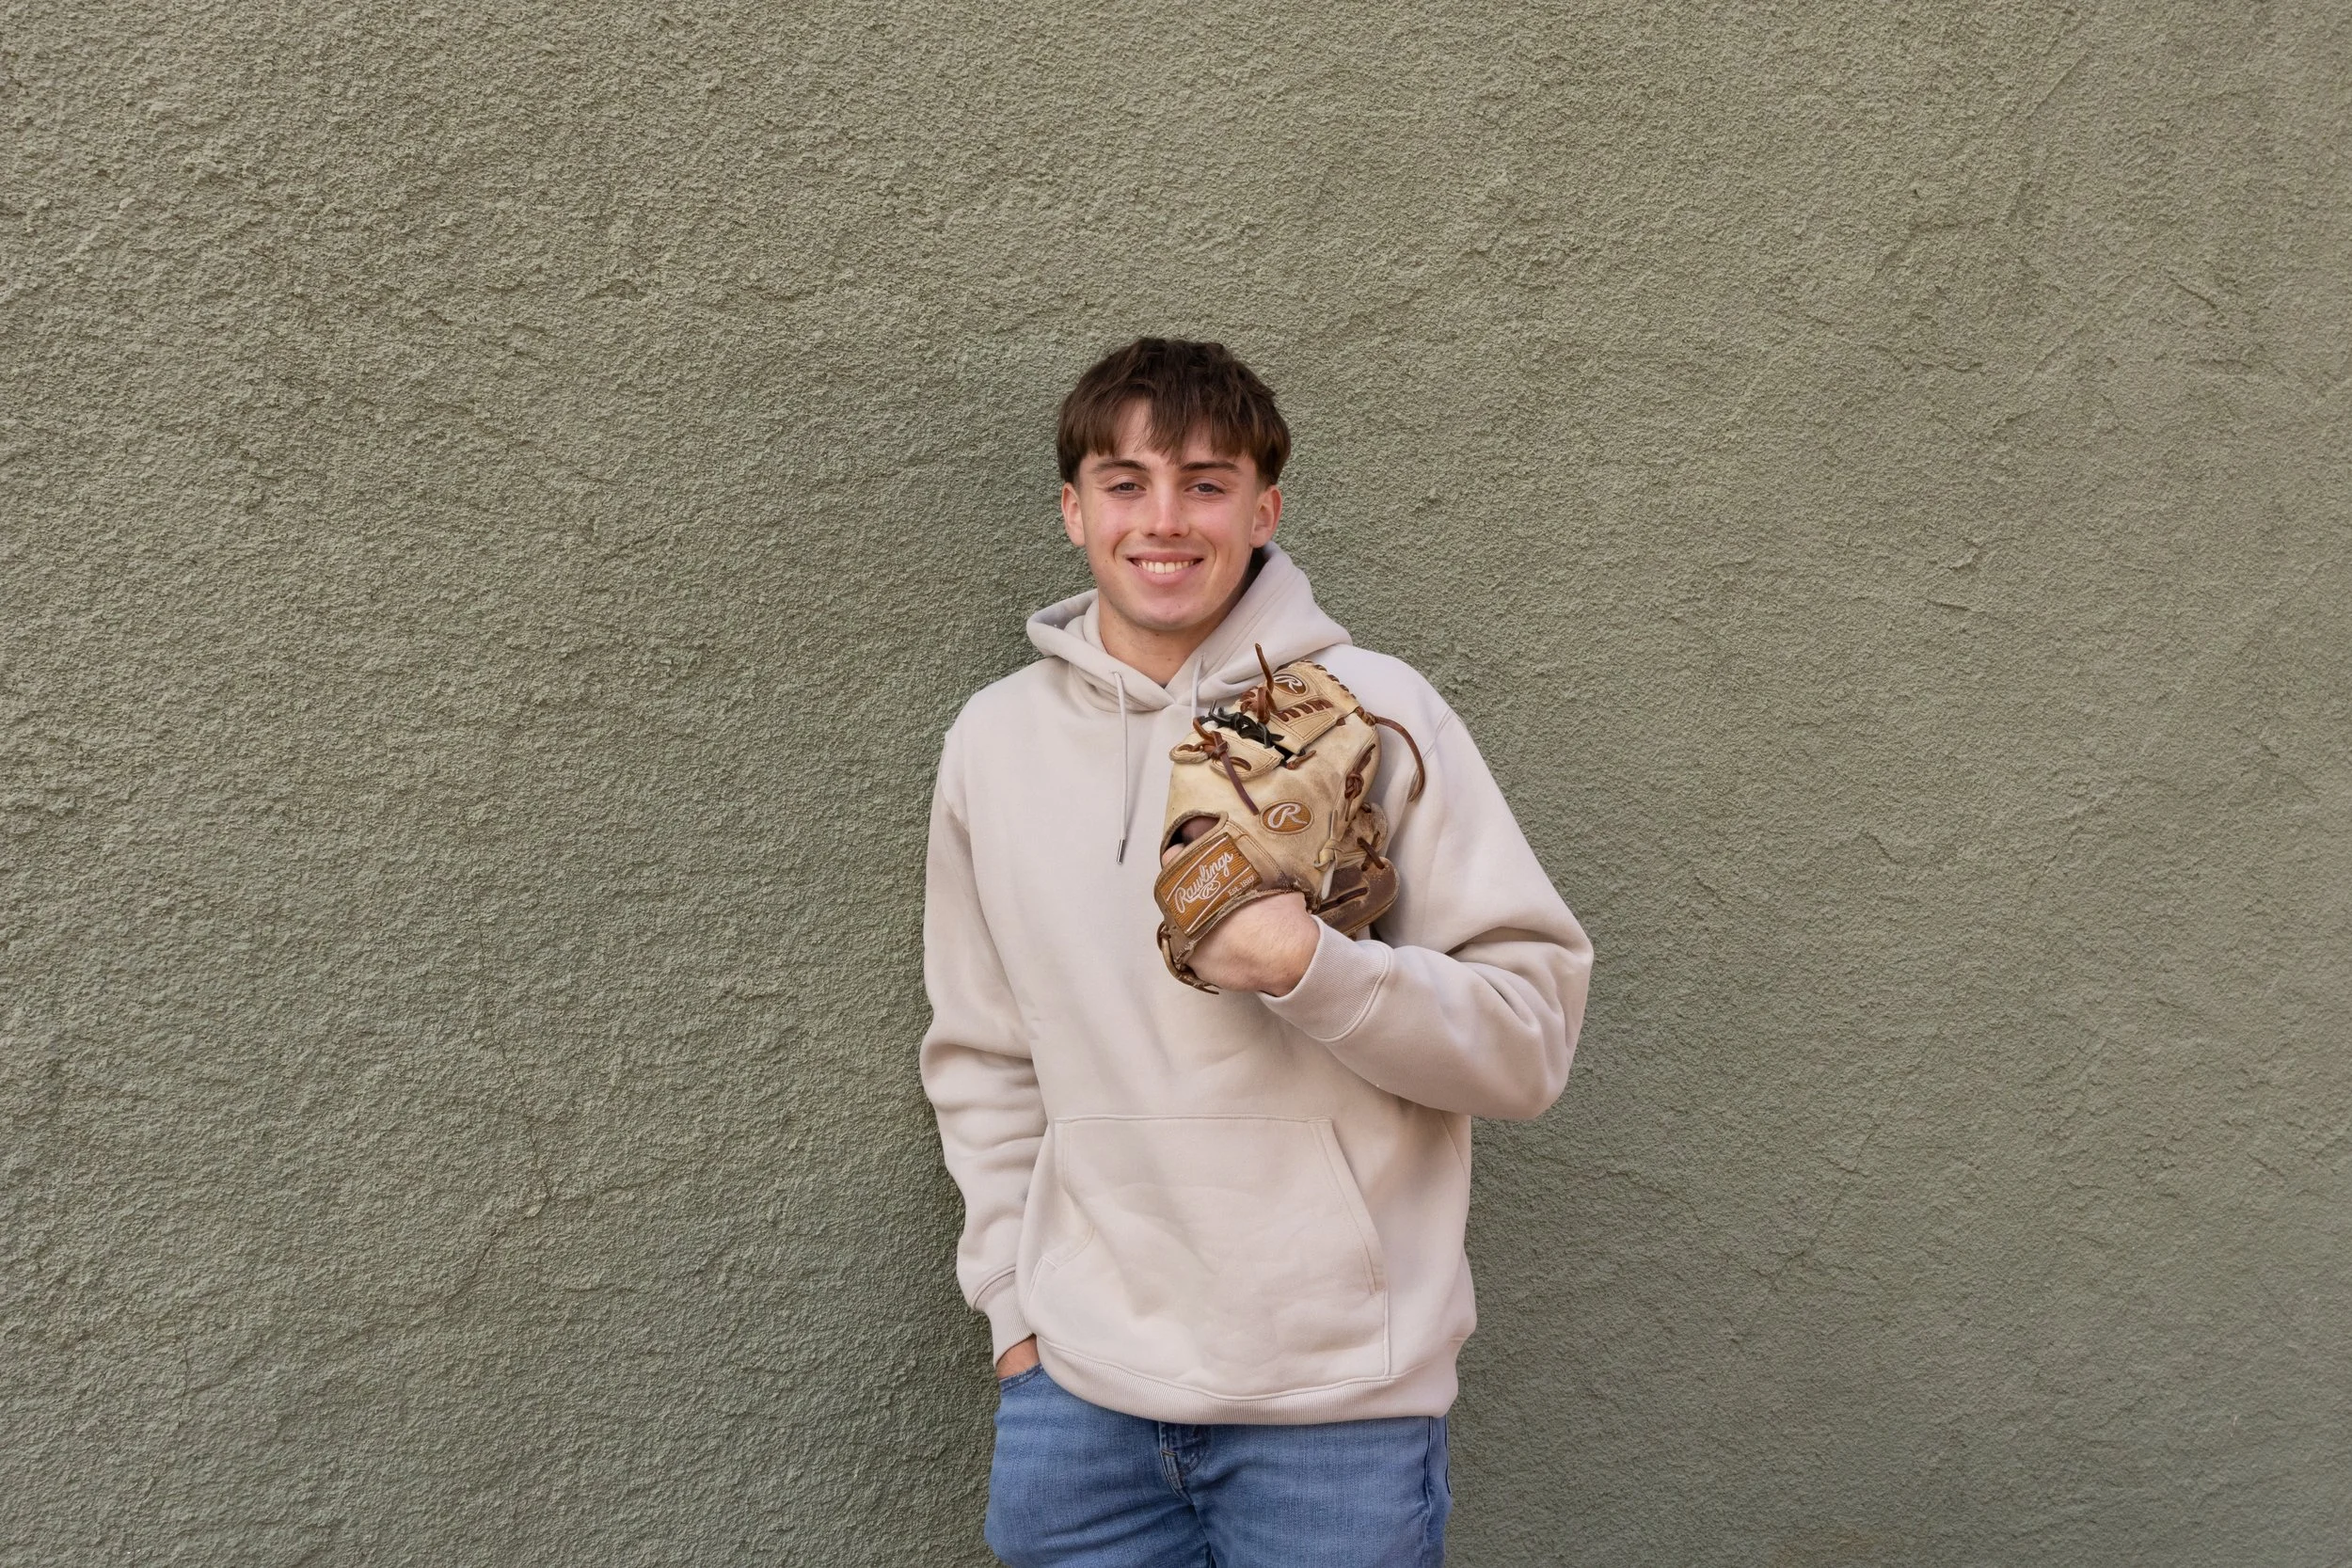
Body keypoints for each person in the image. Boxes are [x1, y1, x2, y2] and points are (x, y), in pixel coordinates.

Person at [920, 337, 1593, 1567]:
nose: (1164, 520)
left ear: (1265, 508)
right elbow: (982, 1053)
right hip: (1080, 1402)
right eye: (1125, 483)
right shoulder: (992, 743)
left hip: (1331, 1418)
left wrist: (1311, 970)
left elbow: (1531, 1039)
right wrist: (1017, 1319)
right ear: (1073, 511)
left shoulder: (1378, 709)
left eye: (1207, 481)